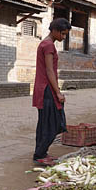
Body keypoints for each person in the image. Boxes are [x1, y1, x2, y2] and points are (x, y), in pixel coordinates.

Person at [32, 18, 71, 165]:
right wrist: (58, 92)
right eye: (62, 34)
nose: (63, 37)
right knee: (51, 123)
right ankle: (40, 154)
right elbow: (49, 71)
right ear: (54, 30)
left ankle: (41, 153)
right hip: (46, 89)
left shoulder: (47, 44)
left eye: (65, 34)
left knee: (44, 123)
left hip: (45, 88)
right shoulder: (48, 45)